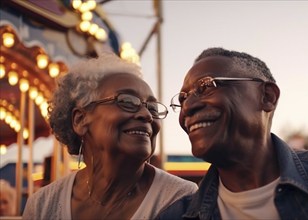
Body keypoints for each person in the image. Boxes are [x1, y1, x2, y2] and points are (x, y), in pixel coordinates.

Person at [156, 47, 308, 219]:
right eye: (183, 98)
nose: (187, 107)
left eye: (205, 86)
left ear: (267, 97)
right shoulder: (177, 215)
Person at [22, 53, 197, 220]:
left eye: (152, 107)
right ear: (80, 120)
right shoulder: (42, 206)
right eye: (127, 101)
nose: (147, 115)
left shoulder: (181, 200)